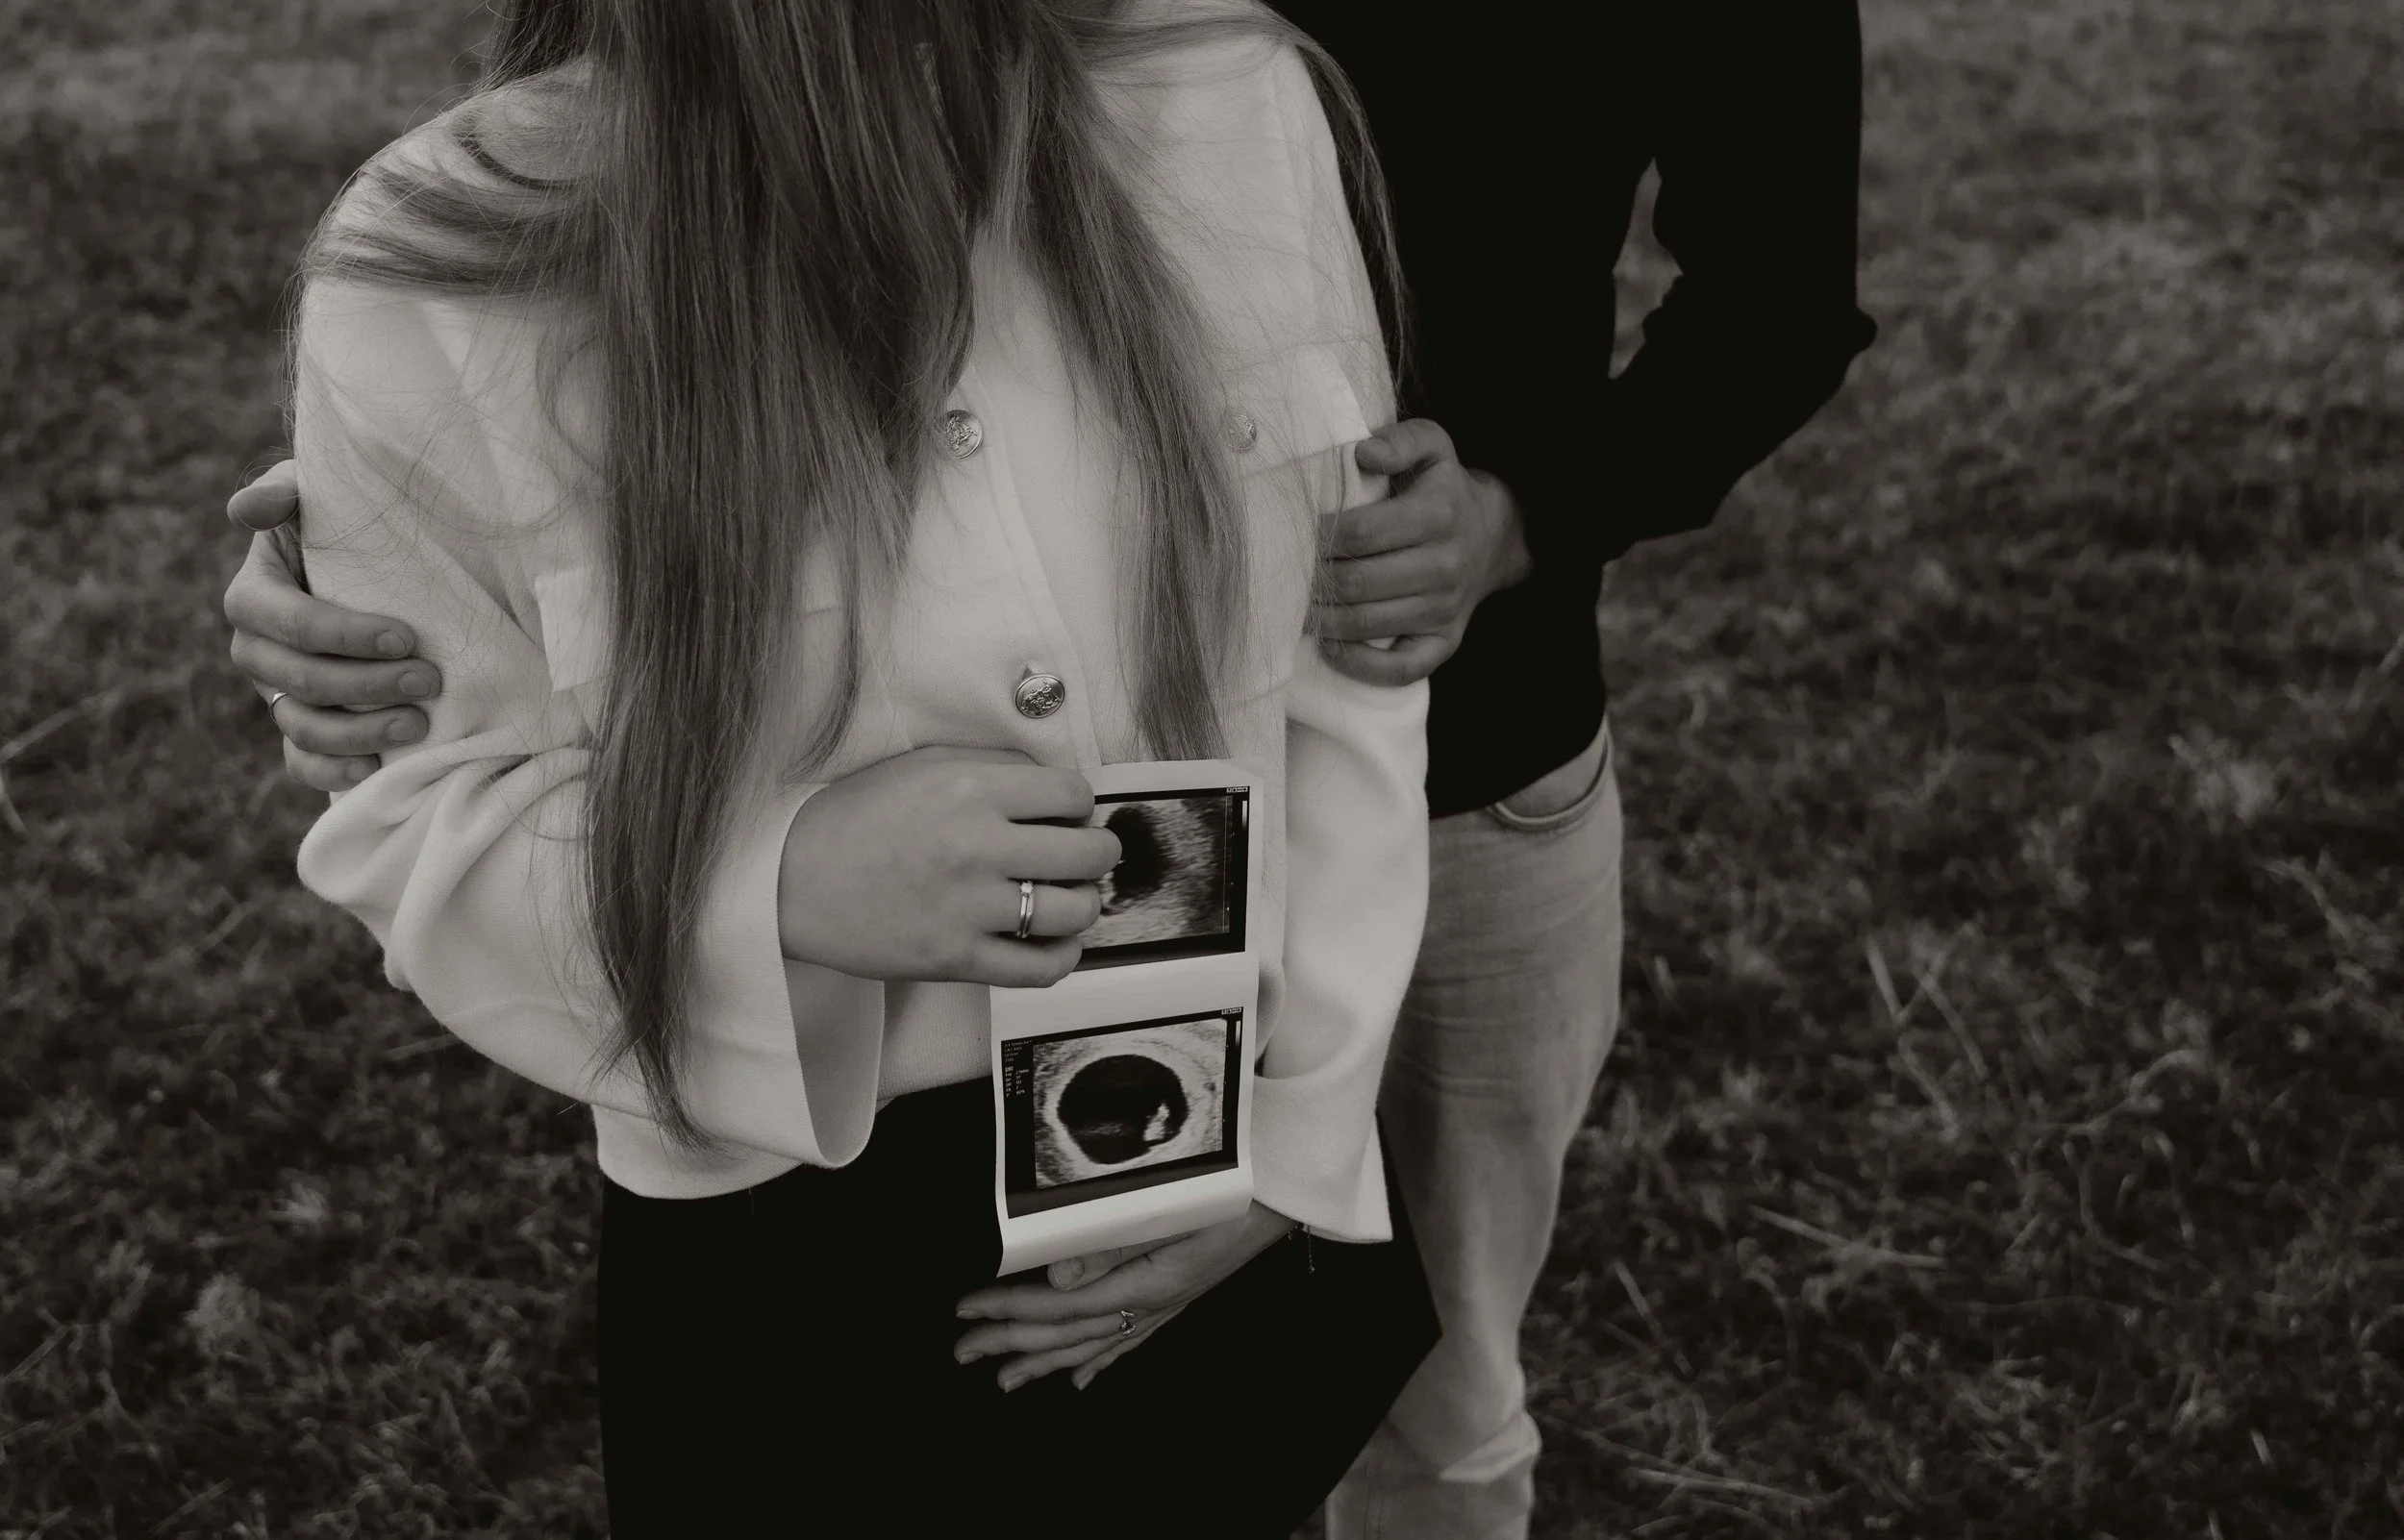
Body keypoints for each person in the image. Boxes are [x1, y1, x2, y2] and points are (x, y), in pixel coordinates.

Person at [228, 3, 1878, 1534]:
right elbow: (431, 802)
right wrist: (773, 878)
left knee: (1410, 1428)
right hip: (778, 1229)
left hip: (1261, 1026)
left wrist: (1287, 1134)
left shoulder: (1234, 97)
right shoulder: (444, 260)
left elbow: (1339, 652)